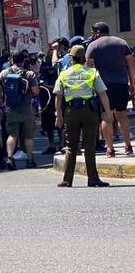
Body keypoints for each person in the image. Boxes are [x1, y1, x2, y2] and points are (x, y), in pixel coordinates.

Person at [55, 45, 114, 187]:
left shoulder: (64, 74)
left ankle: (67, 180)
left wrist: (59, 115)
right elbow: (102, 94)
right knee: (89, 145)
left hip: (71, 112)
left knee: (71, 146)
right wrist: (108, 113)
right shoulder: (92, 72)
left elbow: (58, 96)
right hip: (89, 111)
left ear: (72, 59)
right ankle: (92, 178)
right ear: (84, 59)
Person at [85, 21, 135, 157]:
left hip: (103, 86)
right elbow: (131, 62)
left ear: (97, 32)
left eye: (93, 33)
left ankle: (110, 149)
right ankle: (128, 145)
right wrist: (132, 82)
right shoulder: (121, 43)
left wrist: (90, 86)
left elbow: (88, 66)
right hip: (121, 83)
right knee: (122, 114)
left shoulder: (93, 45)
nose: (92, 35)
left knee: (106, 117)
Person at [0, 52, 39, 170]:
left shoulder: (4, 73)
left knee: (12, 134)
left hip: (10, 108)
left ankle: (10, 159)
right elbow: (35, 91)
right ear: (24, 60)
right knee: (28, 136)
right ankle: (30, 160)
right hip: (27, 108)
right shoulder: (29, 74)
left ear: (11, 60)